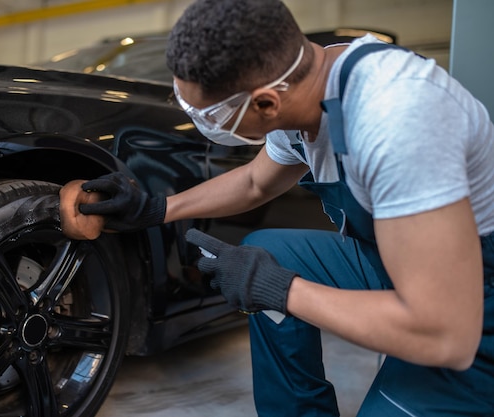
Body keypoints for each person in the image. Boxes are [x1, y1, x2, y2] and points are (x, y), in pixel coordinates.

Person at [59, 0, 494, 415]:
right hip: (398, 260)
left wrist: (281, 290)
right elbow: (253, 182)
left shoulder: (397, 118)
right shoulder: (309, 91)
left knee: (271, 276)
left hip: (472, 299)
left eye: (209, 114)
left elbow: (446, 334)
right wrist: (157, 208)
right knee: (272, 252)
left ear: (266, 102)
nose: (204, 124)